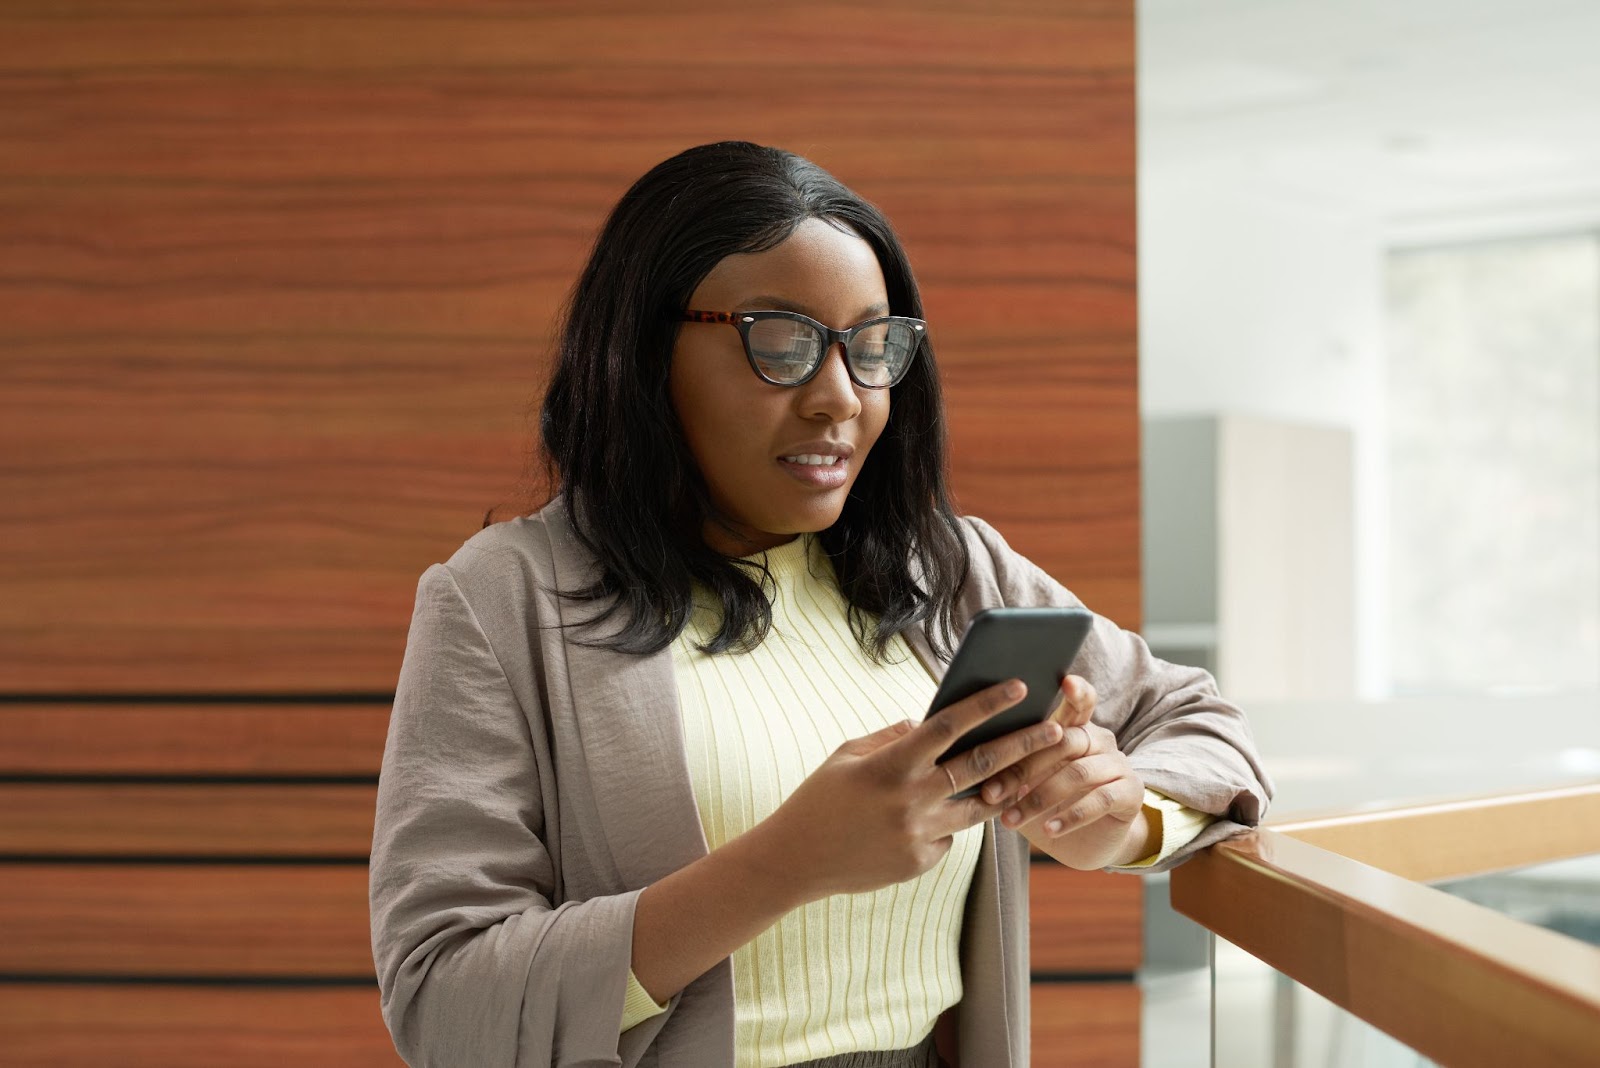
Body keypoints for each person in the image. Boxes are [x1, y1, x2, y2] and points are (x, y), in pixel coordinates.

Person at [368, 141, 1272, 1068]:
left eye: (872, 347)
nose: (838, 398)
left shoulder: (946, 569)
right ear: (642, 355)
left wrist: (1122, 817)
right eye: (783, 342)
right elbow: (445, 1000)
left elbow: (1200, 721)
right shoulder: (501, 600)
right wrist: (784, 864)